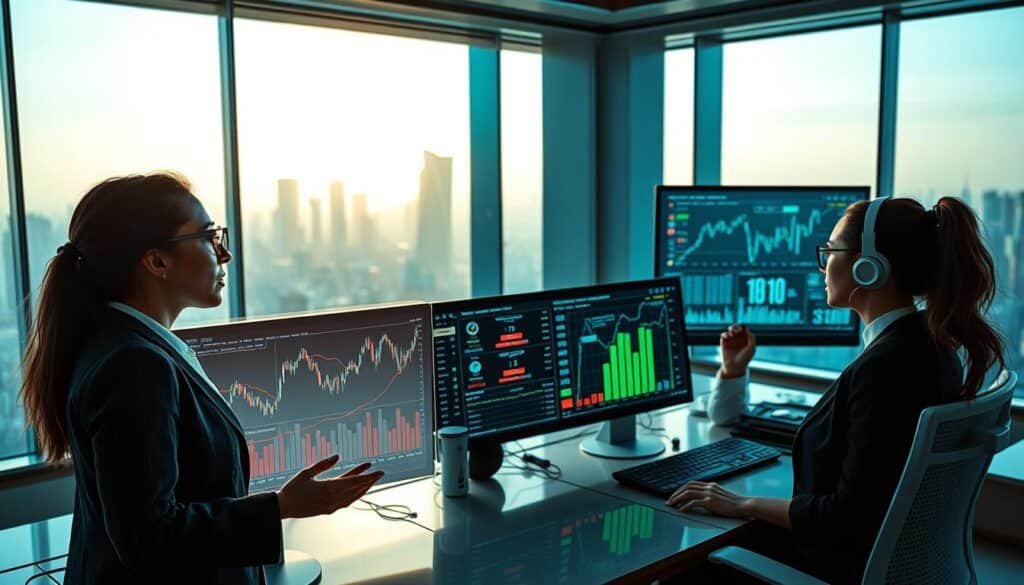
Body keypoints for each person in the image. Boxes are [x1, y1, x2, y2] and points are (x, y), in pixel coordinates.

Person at [19, 173, 385, 585]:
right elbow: (148, 537)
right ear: (157, 261)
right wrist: (279, 506)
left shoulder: (125, 344)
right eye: (210, 237)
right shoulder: (135, 366)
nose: (224, 255)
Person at [667, 196, 1005, 584]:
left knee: (686, 558)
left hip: (837, 565)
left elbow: (844, 518)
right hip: (884, 561)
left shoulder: (886, 369)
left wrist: (744, 503)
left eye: (831, 250)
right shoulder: (926, 348)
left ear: (870, 268)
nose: (824, 263)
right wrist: (733, 373)